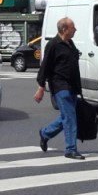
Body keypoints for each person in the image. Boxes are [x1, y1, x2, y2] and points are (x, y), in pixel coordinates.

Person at [33, 17, 85, 160]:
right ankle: (70, 149)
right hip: (60, 86)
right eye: (73, 27)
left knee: (67, 117)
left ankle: (45, 133)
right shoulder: (53, 45)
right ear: (64, 29)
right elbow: (45, 67)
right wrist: (41, 87)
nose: (75, 30)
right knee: (69, 117)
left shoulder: (70, 43)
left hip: (72, 86)